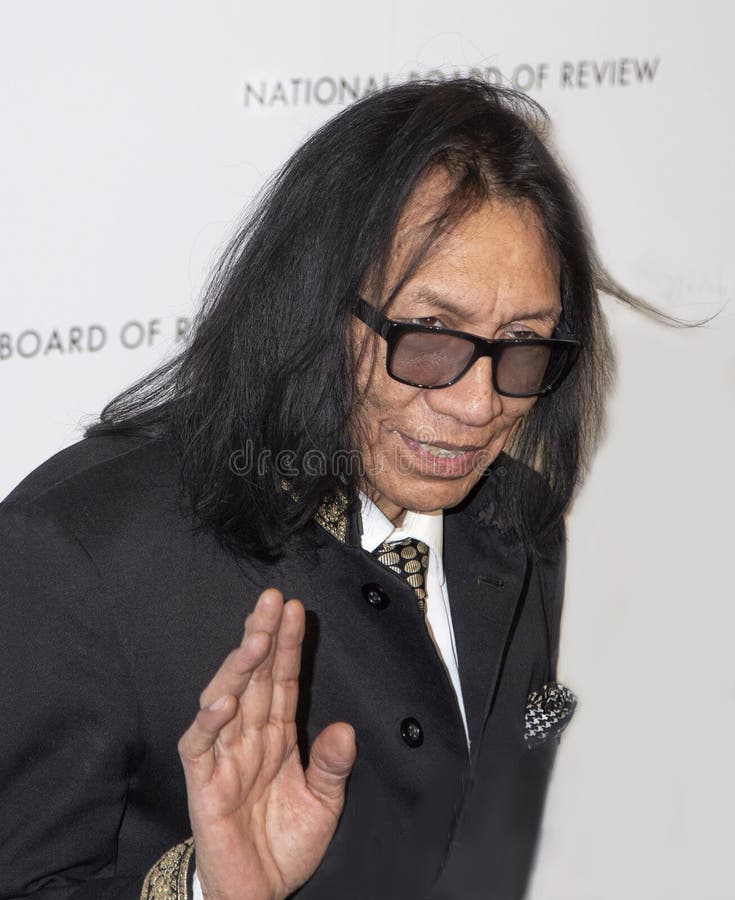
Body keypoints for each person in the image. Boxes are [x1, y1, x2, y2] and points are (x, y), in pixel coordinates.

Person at [0, 78, 619, 900]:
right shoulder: (82, 553)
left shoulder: (517, 519)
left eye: (522, 344)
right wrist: (206, 891)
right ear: (313, 307)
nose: (479, 406)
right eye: (428, 337)